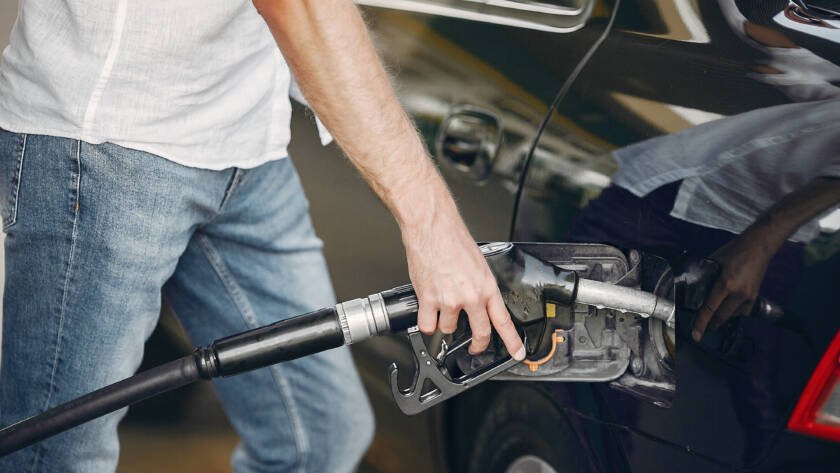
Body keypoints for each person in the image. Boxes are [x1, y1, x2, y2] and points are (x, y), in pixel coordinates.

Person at [0, 1, 525, 472]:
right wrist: (433, 227)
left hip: (246, 142)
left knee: (318, 439)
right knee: (56, 456)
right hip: (108, 142)